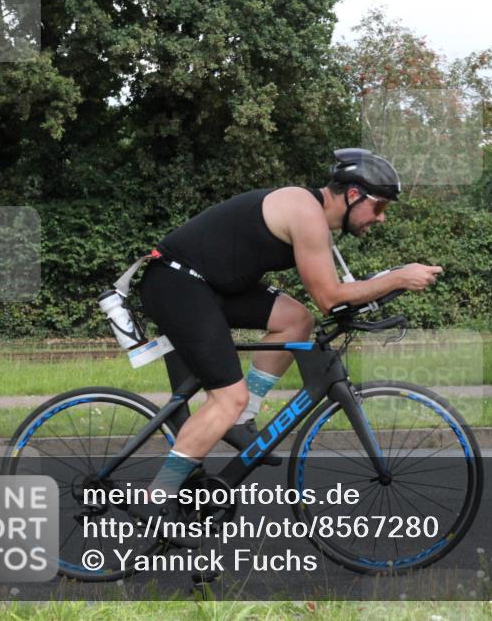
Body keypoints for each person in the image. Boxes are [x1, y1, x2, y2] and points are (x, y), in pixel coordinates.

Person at [132, 148, 442, 523]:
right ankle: (156, 502)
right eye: (379, 207)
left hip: (209, 285)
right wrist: (397, 278)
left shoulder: (318, 224)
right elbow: (330, 298)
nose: (381, 218)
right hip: (176, 283)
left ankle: (239, 420)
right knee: (226, 397)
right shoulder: (305, 213)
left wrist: (388, 285)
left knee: (296, 320)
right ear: (354, 195)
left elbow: (334, 299)